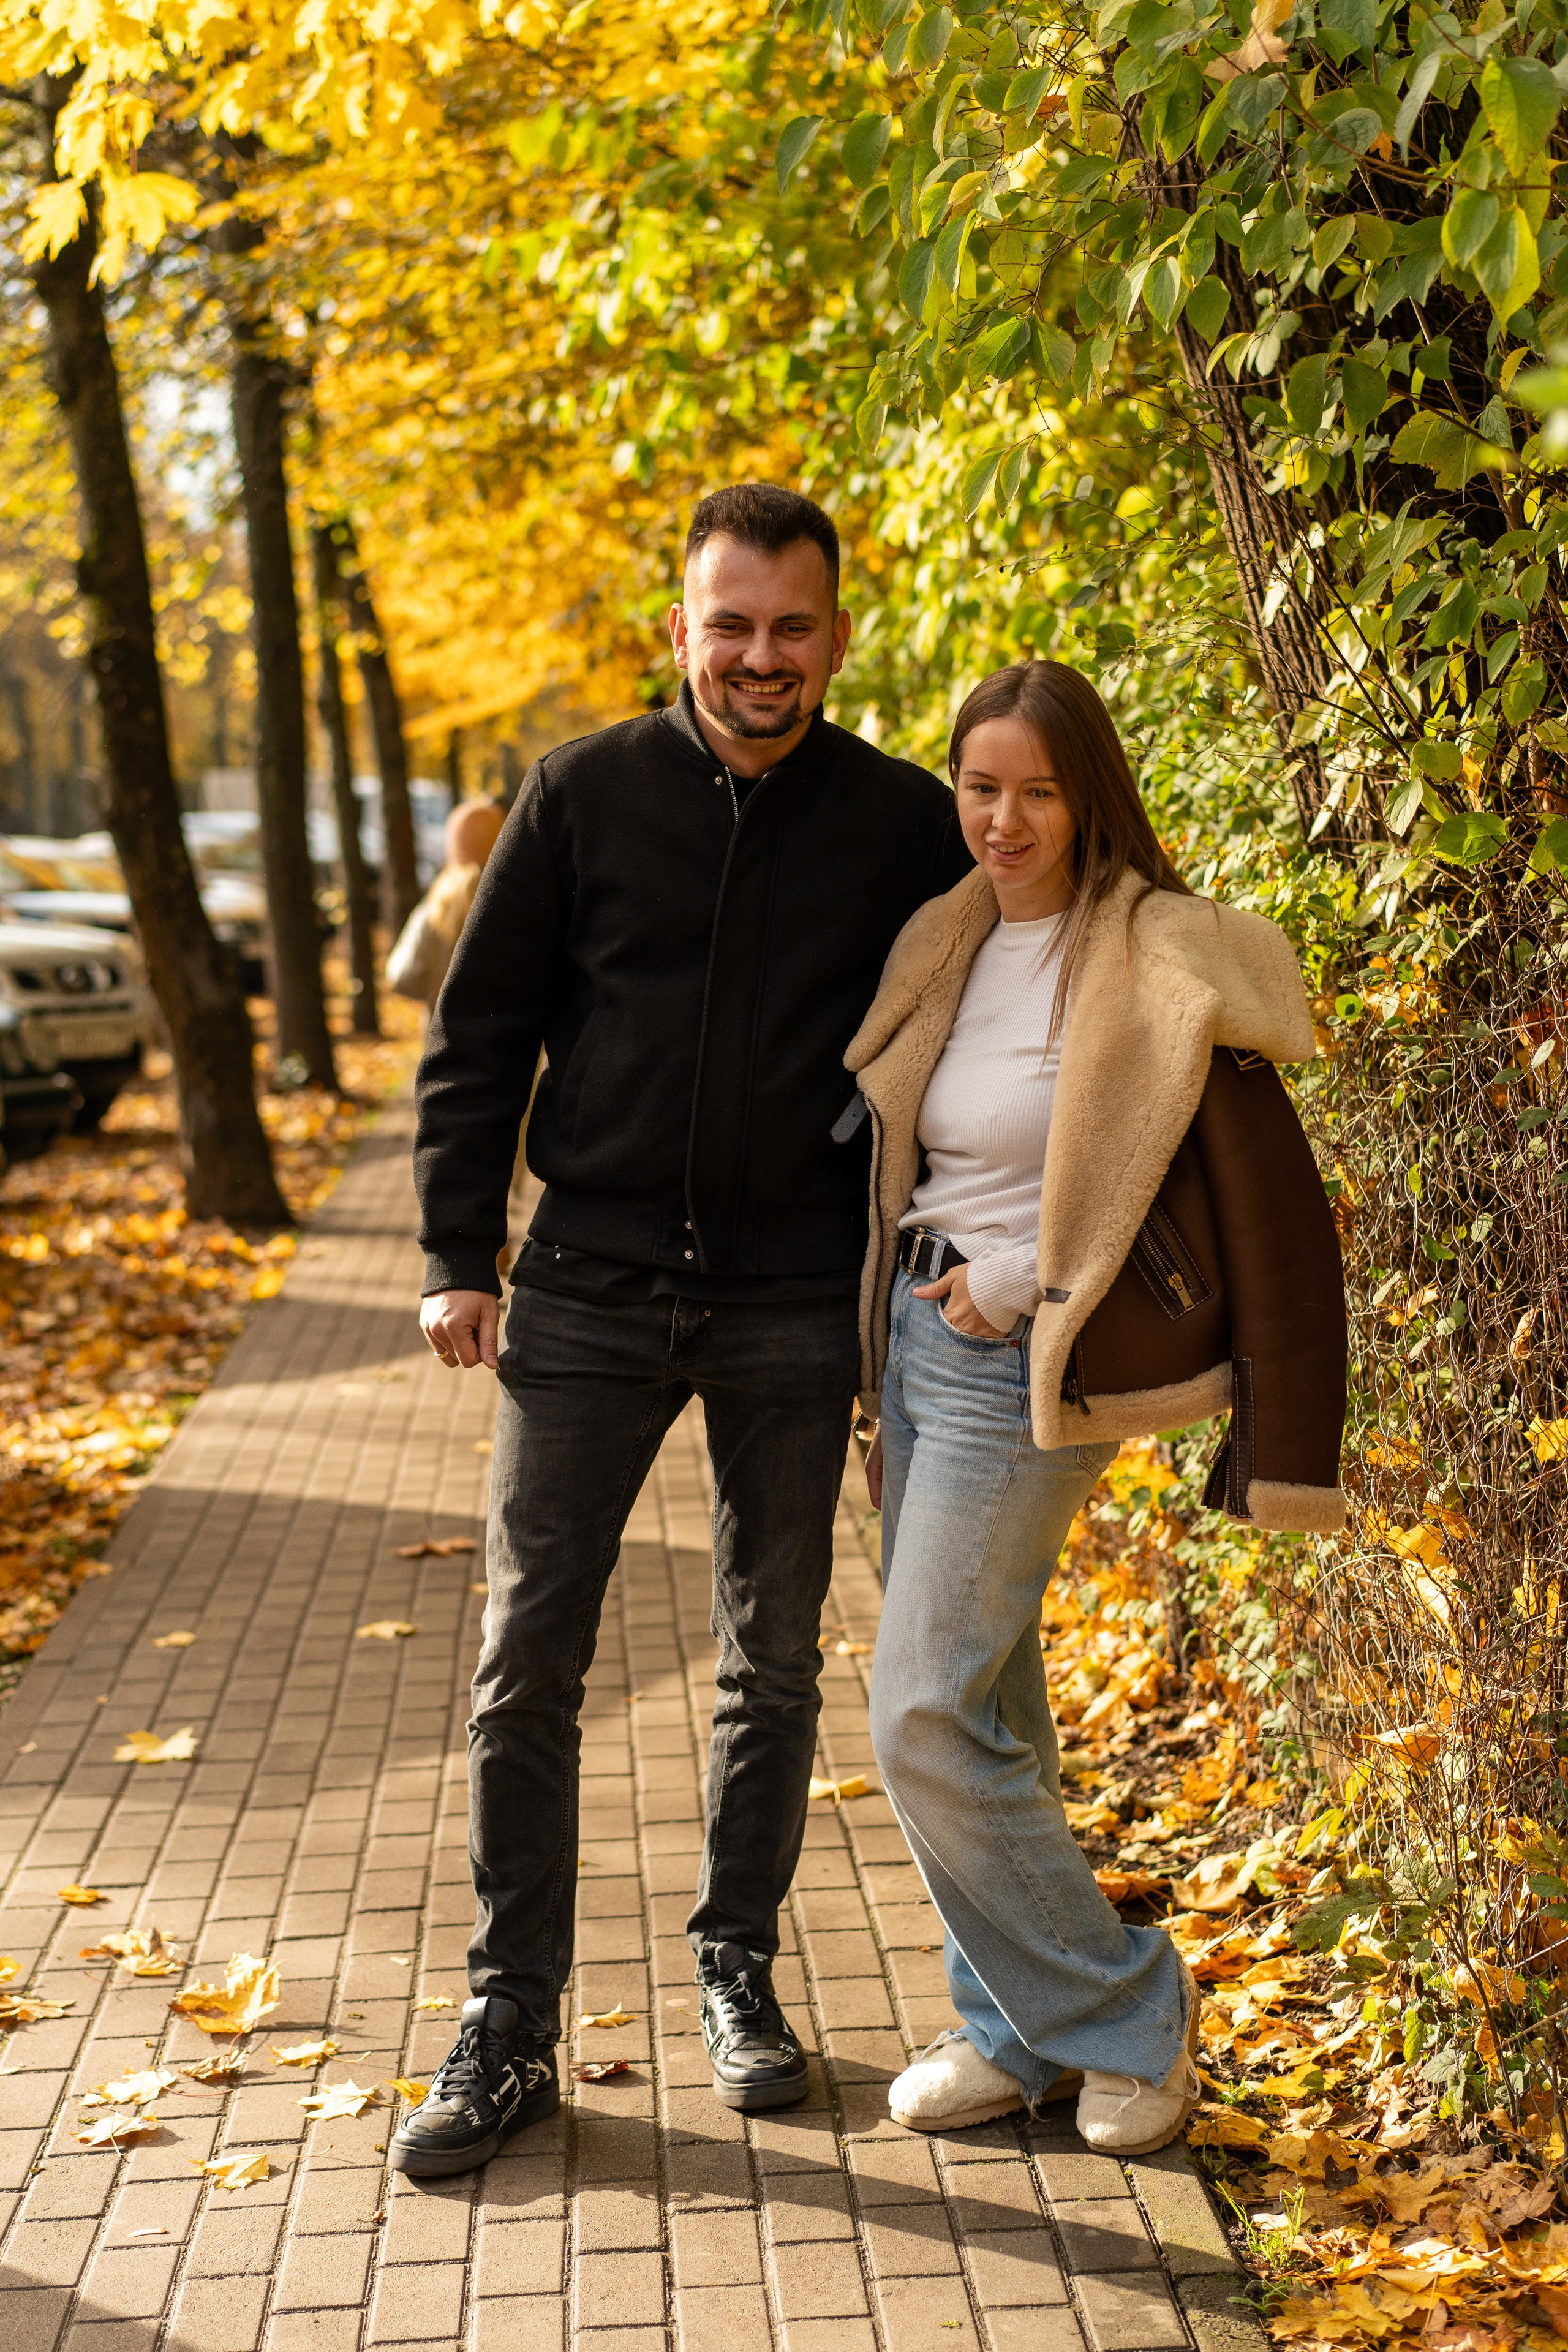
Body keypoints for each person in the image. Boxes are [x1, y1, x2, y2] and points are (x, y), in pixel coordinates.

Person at [394, 483, 972, 2177]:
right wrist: (454, 1251)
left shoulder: (903, 824)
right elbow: (475, 1038)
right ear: (681, 630)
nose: (761, 657)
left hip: (794, 1302)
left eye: (793, 627)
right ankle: (510, 2023)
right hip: (582, 1287)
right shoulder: (579, 797)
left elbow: (994, 1026)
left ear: (836, 639)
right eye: (731, 625)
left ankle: (737, 1968)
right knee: (526, 1668)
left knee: (770, 1658)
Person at [845, 660, 1346, 2154]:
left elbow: (1164, 1152)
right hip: (911, 1335)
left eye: (1035, 790)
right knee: (986, 1701)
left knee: (917, 1712)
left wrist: (1022, 1271)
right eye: (978, 785)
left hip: (1019, 1359)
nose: (1002, 818)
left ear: (1088, 797)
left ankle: (1130, 2013)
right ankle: (1009, 2028)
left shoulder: (1134, 947)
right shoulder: (943, 934)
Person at [385, 798, 507, 1012]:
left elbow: (401, 977)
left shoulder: (439, 904)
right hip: (511, 1039)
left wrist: (438, 991)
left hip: (446, 1039)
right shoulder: (515, 897)